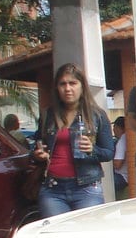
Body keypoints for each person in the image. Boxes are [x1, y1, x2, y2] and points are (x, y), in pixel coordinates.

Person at [31, 62, 115, 217]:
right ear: (57, 88)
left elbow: (109, 153)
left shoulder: (97, 115)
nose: (67, 88)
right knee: (55, 237)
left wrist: (92, 150)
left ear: (82, 86)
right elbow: (37, 146)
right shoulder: (48, 115)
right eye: (62, 84)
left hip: (87, 189)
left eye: (73, 83)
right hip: (53, 189)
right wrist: (38, 154)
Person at [111, 115, 130, 198]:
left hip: (122, 177)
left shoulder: (122, 140)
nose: (113, 130)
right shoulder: (127, 138)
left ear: (118, 127)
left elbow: (117, 164)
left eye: (114, 127)